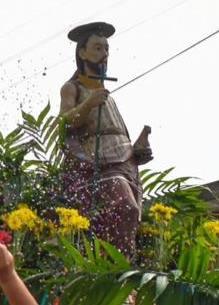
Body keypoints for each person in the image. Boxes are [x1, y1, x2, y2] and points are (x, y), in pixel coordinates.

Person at [59, 21, 153, 253]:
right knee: (125, 208)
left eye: (107, 49)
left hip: (126, 164)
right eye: (98, 48)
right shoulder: (73, 88)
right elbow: (64, 123)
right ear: (82, 53)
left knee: (131, 220)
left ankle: (120, 263)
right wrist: (88, 104)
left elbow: (115, 133)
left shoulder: (108, 96)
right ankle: (117, 266)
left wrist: (138, 150)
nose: (104, 54)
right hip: (99, 164)